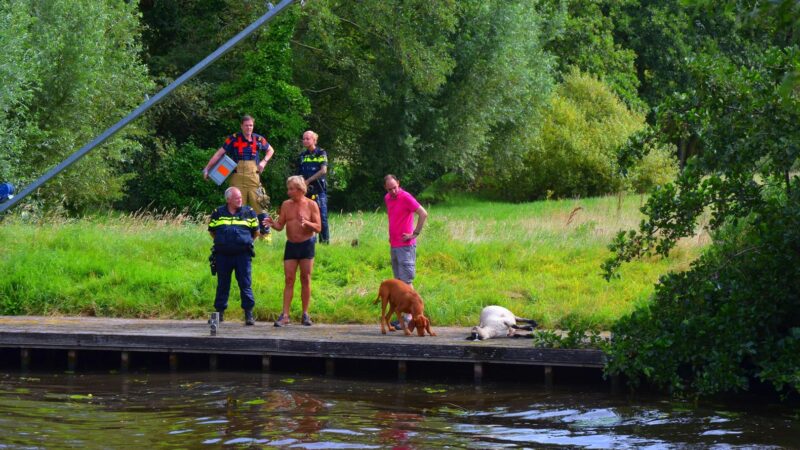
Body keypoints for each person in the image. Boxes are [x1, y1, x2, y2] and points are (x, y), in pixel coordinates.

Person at [203, 115, 275, 238]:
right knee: (237, 208)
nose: (249, 128)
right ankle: (239, 235)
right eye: (246, 125)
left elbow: (270, 150)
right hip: (236, 178)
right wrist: (207, 168)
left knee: (260, 207)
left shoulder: (258, 139)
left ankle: (266, 236)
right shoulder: (233, 139)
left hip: (254, 178)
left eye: (251, 125)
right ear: (241, 126)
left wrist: (264, 162)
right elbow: (219, 153)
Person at [265, 176, 322, 327]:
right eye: (288, 188)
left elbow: (318, 228)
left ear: (300, 189)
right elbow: (280, 226)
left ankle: (305, 314)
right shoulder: (285, 205)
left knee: (305, 279)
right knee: (289, 279)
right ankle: (285, 315)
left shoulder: (311, 205)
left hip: (306, 244)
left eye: (291, 189)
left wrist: (307, 223)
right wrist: (272, 223)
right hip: (291, 245)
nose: (288, 191)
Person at [208, 187, 265, 326]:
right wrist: (224, 243)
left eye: (240, 197)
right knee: (222, 285)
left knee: (245, 284)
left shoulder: (249, 212)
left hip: (242, 255)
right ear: (228, 200)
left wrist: (247, 242)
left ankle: (248, 314)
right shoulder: (218, 213)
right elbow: (212, 232)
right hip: (223, 255)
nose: (240, 199)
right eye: (236, 198)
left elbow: (256, 232)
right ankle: (219, 314)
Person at [384, 174, 428, 328]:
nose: (393, 191)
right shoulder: (387, 198)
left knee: (407, 282)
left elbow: (423, 213)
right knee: (399, 283)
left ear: (399, 184)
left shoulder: (406, 197)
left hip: (406, 246)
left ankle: (411, 317)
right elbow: (393, 218)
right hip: (394, 245)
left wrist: (414, 234)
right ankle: (405, 316)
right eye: (390, 189)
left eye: (395, 188)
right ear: (386, 188)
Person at [297, 130, 330, 244]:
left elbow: (323, 170)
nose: (305, 140)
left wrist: (308, 181)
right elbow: (299, 173)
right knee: (307, 217)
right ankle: (309, 241)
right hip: (305, 191)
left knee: (322, 217)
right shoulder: (302, 155)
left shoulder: (321, 153)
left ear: (314, 140)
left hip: (319, 190)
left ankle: (325, 243)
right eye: (304, 138)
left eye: (308, 138)